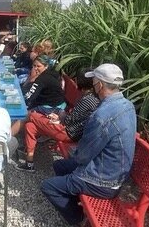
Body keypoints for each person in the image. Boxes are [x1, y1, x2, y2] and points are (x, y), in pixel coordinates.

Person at [41, 63, 137, 225]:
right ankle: (74, 197)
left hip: (104, 181)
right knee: (60, 166)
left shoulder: (102, 115)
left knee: (48, 186)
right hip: (115, 173)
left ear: (99, 85)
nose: (92, 85)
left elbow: (84, 155)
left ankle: (79, 219)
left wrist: (75, 155)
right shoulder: (128, 105)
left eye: (94, 81)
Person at [16, 68, 100, 172]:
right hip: (68, 128)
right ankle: (29, 163)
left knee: (32, 115)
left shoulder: (88, 100)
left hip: (68, 133)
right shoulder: (89, 97)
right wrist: (59, 116)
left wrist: (59, 116)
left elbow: (69, 120)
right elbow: (74, 118)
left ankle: (9, 136)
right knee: (30, 126)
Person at [12, 54, 65, 135]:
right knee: (26, 111)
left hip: (52, 108)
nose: (36, 68)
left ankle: (7, 138)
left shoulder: (42, 79)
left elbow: (30, 96)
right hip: (58, 104)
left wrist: (17, 99)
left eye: (38, 66)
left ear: (46, 66)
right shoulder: (52, 74)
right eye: (34, 66)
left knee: (23, 116)